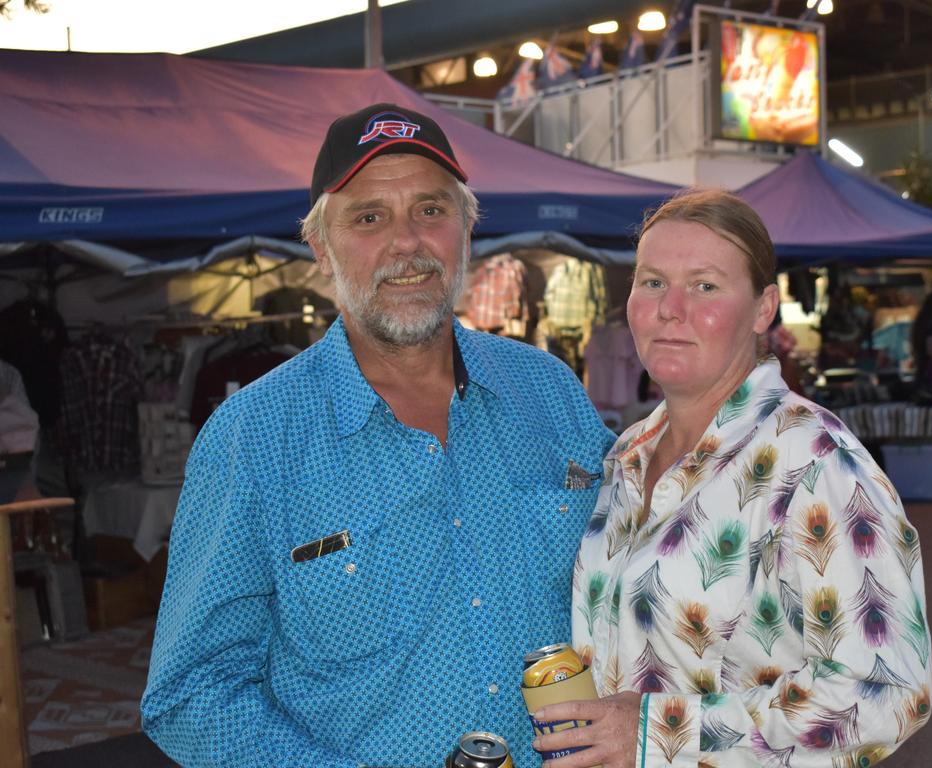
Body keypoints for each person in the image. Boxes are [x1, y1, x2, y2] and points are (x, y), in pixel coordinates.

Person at [141, 103, 615, 766]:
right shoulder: (252, 440)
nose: (407, 244)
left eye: (431, 210)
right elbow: (190, 693)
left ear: (466, 227)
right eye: (369, 218)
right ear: (320, 247)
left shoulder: (550, 394)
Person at [533, 190, 932, 767]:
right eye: (651, 282)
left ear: (764, 308)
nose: (671, 308)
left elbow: (888, 694)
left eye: (705, 286)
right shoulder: (627, 456)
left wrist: (654, 733)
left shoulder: (815, 463)